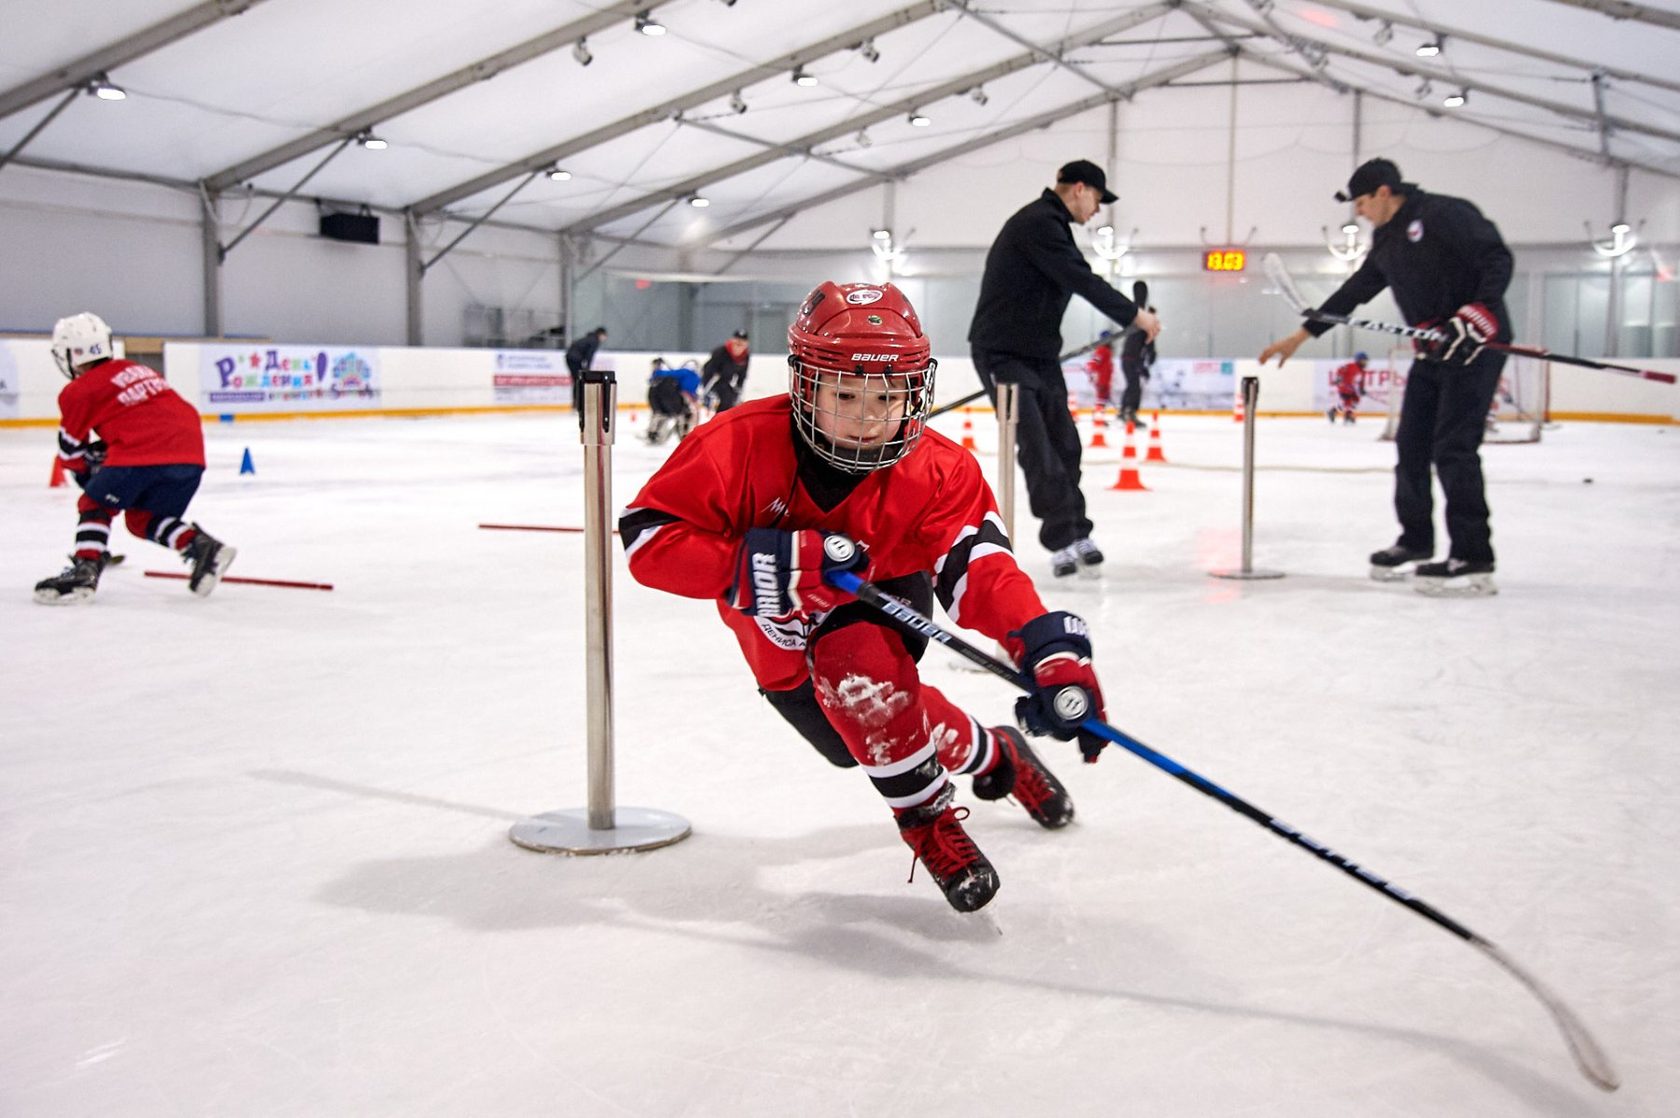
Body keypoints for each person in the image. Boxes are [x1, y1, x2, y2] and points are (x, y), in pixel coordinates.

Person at [620, 281, 1112, 914]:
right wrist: (746, 564)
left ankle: (930, 824)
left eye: (886, 396)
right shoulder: (735, 445)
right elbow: (647, 540)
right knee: (857, 738)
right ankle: (995, 752)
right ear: (805, 386)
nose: (867, 417)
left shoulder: (939, 469)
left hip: (879, 592)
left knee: (862, 673)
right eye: (844, 395)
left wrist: (1043, 643)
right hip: (773, 631)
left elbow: (979, 568)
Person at [1259, 158, 1512, 597]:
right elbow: (1357, 290)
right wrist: (1302, 335)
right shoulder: (1388, 239)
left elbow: (1496, 257)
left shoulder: (1444, 214)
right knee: (1411, 444)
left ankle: (1473, 553)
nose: (1358, 212)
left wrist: (1478, 313)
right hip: (1431, 351)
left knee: (1453, 448)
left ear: (1382, 192)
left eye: (1360, 202)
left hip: (1475, 346)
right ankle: (1415, 540)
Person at [968, 159, 1161, 579]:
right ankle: (1059, 542)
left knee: (1066, 446)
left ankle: (1076, 532)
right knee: (1038, 450)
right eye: (1096, 200)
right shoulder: (1038, 223)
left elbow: (1075, 275)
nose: (1096, 211)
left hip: (1038, 355)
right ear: (1079, 188)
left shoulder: (1052, 225)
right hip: (1002, 355)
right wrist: (1134, 315)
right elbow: (1080, 278)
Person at [33, 312, 236, 605]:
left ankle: (85, 567)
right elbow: (145, 413)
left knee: (94, 504)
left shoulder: (77, 391)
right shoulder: (135, 369)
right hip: (190, 451)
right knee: (143, 519)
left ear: (71, 354)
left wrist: (89, 473)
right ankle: (202, 546)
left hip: (144, 450)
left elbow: (70, 454)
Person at [645, 357, 702, 445]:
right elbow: (688, 391)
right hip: (676, 400)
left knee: (661, 414)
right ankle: (685, 434)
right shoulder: (690, 374)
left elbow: (657, 377)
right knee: (688, 414)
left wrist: (656, 373)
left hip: (659, 398)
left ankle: (654, 432)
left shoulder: (679, 375)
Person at [1118, 308, 1157, 429]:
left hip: (1128, 359)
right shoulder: (1145, 328)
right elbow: (1148, 348)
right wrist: (1145, 363)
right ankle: (1129, 412)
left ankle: (1124, 410)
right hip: (1131, 359)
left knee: (1132, 385)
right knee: (1134, 386)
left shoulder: (1137, 325)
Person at [701, 330, 750, 412]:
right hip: (712, 381)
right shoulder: (721, 352)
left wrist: (738, 391)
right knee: (725, 397)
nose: (739, 346)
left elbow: (742, 376)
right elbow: (708, 371)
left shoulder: (745, 357)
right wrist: (707, 390)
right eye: (737, 342)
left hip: (726, 382)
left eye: (742, 343)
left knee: (731, 399)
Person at [566, 326, 608, 418]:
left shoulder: (590, 338)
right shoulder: (594, 341)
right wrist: (587, 369)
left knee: (578, 381)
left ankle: (577, 404)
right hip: (574, 359)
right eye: (604, 336)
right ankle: (577, 404)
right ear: (601, 334)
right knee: (579, 381)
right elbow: (589, 355)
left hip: (571, 357)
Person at [1329, 351, 1369, 425]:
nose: (1365, 363)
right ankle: (1348, 415)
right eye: (1363, 361)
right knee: (1347, 401)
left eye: (1366, 361)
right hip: (1344, 387)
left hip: (1353, 389)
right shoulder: (1351, 366)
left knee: (1356, 400)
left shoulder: (1362, 371)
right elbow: (1340, 369)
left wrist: (1362, 389)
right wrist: (1339, 378)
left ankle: (1333, 411)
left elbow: (1361, 381)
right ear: (1358, 360)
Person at [1086, 340, 1115, 409]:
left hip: (1105, 377)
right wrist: (1091, 370)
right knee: (1101, 394)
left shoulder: (1106, 350)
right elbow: (1096, 361)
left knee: (1104, 394)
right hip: (1102, 377)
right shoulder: (1102, 349)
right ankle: (1099, 410)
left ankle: (1101, 409)